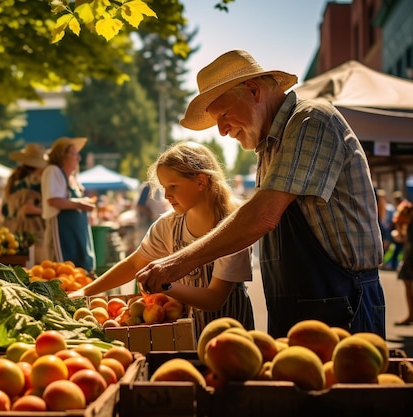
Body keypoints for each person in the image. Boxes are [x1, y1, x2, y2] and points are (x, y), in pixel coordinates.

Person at [136, 50, 386, 338]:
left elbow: (263, 215)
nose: (221, 130)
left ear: (253, 90)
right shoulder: (269, 145)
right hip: (297, 304)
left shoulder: (311, 120)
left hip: (343, 302)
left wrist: (177, 263)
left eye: (225, 115)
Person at [70, 142, 255, 335]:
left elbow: (214, 298)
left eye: (173, 186)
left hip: (231, 334)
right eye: (164, 187)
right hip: (187, 334)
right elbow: (134, 265)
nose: (166, 195)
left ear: (201, 182)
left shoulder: (233, 227)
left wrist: (166, 284)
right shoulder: (169, 225)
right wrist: (85, 292)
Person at [41, 137, 96, 272]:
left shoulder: (73, 178)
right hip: (62, 235)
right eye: (74, 153)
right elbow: (53, 200)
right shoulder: (54, 171)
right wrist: (81, 204)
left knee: (80, 274)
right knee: (64, 272)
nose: (78, 158)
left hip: (77, 234)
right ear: (61, 155)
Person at [2, 143, 49, 261]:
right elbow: (28, 208)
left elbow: (5, 210)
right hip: (33, 232)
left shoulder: (15, 181)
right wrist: (49, 211)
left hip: (14, 232)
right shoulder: (33, 182)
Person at [395, 200, 413, 325]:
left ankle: (411, 314)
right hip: (409, 256)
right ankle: (411, 314)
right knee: (407, 284)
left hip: (411, 257)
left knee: (408, 284)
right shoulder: (410, 224)